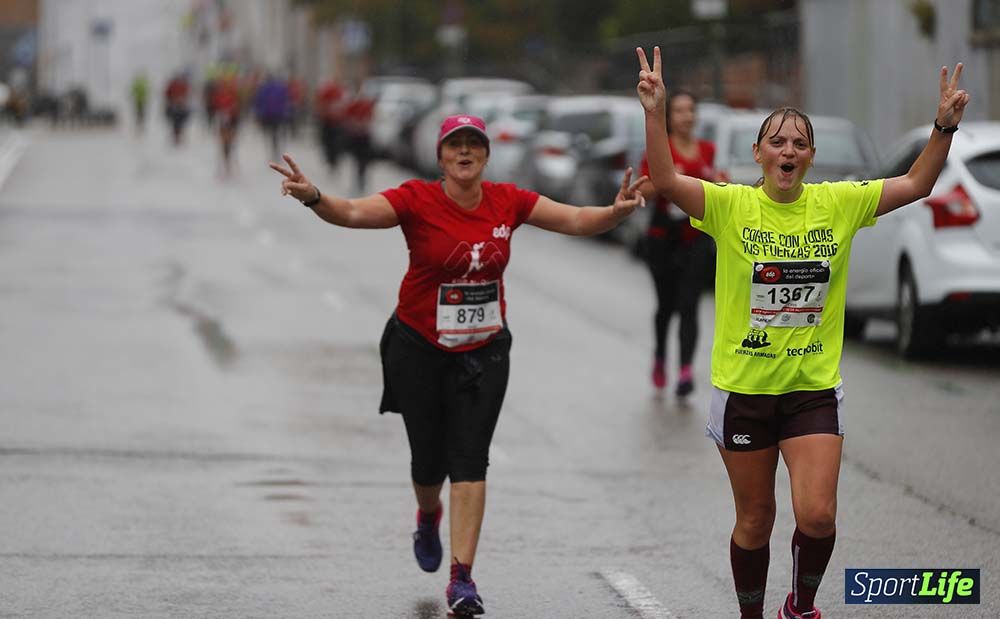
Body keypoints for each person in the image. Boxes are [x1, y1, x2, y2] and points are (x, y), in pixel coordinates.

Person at [635, 46, 969, 619]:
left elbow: (916, 183)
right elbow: (664, 178)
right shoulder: (729, 206)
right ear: (759, 153)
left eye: (799, 142)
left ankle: (800, 606)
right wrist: (656, 110)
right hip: (744, 389)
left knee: (817, 516)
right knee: (756, 519)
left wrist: (942, 127)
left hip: (811, 388)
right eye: (777, 141)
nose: (788, 150)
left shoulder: (838, 203)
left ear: (810, 156)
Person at [269, 114, 646, 616]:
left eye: (474, 145)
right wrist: (314, 196)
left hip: (484, 351)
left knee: (470, 458)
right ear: (441, 156)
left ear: (486, 156)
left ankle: (462, 579)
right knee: (429, 462)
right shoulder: (415, 200)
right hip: (418, 347)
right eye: (455, 146)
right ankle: (428, 515)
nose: (464, 152)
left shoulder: (508, 200)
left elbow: (575, 220)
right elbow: (355, 213)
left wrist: (615, 213)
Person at [637, 90, 721, 396]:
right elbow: (643, 192)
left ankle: (685, 370)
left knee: (689, 305)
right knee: (666, 306)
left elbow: (715, 190)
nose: (687, 116)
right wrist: (665, 181)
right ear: (669, 117)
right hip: (662, 238)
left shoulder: (708, 150)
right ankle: (660, 355)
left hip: (695, 238)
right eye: (680, 111)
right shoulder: (661, 150)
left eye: (691, 110)